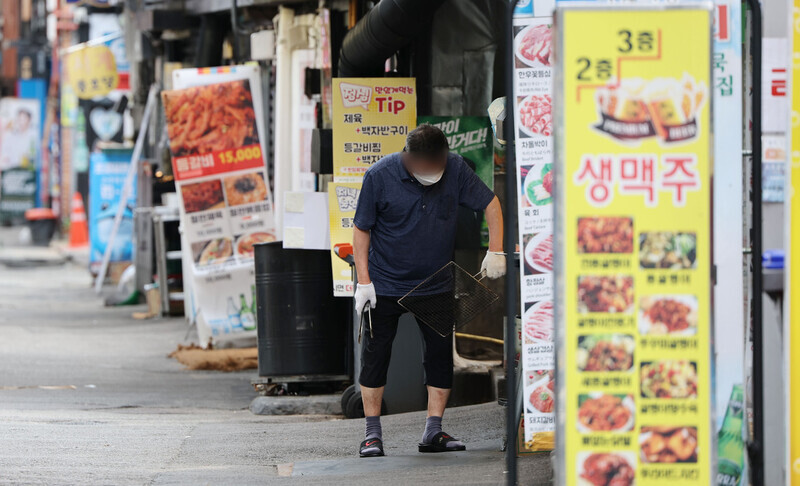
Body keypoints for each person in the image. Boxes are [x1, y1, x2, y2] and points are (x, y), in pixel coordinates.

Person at [352, 124, 505, 457]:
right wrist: (364, 282)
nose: (430, 172)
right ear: (408, 157)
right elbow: (361, 230)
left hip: (435, 282)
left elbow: (491, 204)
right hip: (385, 282)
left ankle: (433, 431)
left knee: (438, 357)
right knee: (376, 356)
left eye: (436, 166)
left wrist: (496, 250)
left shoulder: (456, 169)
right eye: (424, 166)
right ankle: (372, 434)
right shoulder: (379, 176)